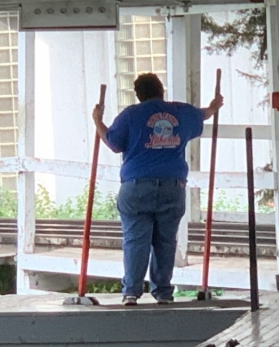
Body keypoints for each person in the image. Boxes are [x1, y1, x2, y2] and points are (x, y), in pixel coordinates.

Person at [94, 73, 223, 306]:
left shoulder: (131, 115)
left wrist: (97, 120)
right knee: (165, 241)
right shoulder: (180, 111)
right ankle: (163, 292)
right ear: (161, 90)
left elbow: (113, 142)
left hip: (136, 187)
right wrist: (214, 106)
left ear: (138, 94)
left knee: (135, 240)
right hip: (172, 186)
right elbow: (203, 115)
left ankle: (131, 292)